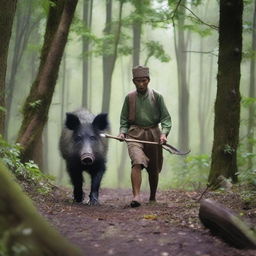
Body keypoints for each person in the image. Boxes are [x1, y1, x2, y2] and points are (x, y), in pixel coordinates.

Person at [118, 65, 172, 207]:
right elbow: (124, 120)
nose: (141, 84)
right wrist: (123, 132)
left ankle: (152, 197)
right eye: (138, 81)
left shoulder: (157, 97)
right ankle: (136, 197)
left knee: (153, 169)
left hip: (154, 135)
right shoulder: (129, 98)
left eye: (143, 81)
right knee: (137, 161)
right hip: (134, 135)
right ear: (133, 81)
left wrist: (164, 134)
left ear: (148, 80)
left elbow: (166, 119)